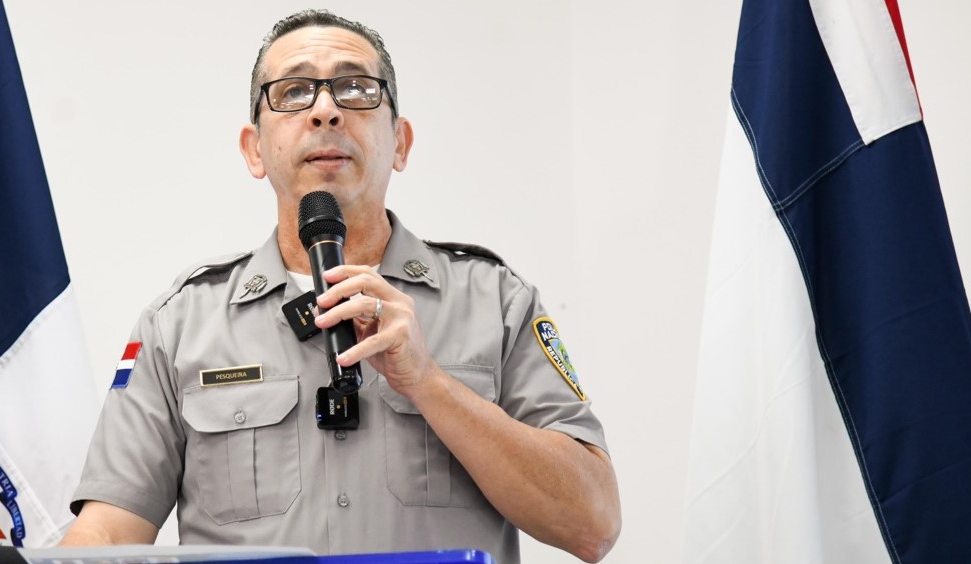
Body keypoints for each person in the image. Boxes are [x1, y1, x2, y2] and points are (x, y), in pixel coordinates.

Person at [61, 10, 621, 563]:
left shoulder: (496, 303)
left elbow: (592, 525)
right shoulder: (180, 325)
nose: (326, 110)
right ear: (254, 149)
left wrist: (429, 383)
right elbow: (106, 535)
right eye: (294, 91)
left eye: (356, 89)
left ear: (400, 143)